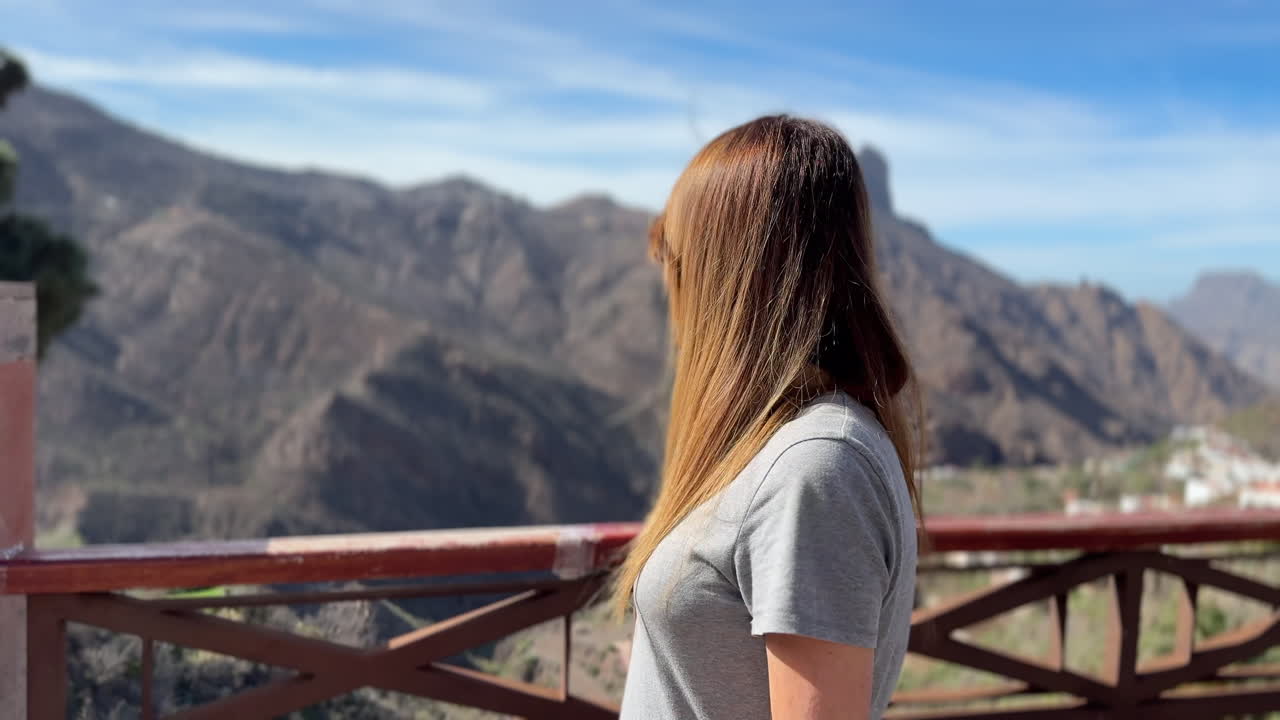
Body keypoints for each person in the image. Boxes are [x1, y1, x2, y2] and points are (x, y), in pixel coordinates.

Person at [612, 114, 925, 720]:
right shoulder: (786, 450)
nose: (673, 300)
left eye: (679, 267)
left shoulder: (816, 469)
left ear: (725, 280)